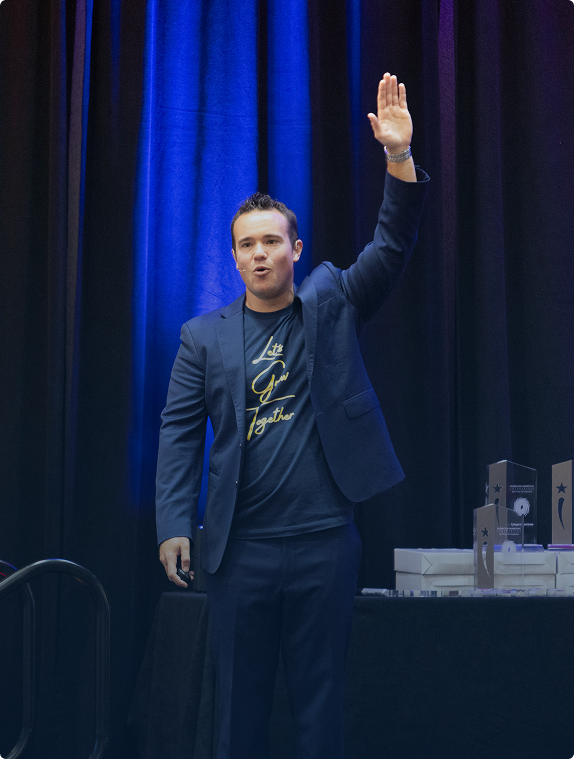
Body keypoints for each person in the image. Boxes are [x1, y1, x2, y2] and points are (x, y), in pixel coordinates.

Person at [156, 73, 429, 759]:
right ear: (234, 256)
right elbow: (179, 433)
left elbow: (392, 247)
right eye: (246, 244)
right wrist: (170, 523)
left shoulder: (331, 300)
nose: (259, 254)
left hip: (323, 544)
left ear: (295, 249)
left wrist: (398, 158)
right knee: (237, 717)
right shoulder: (202, 337)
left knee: (319, 711)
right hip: (238, 550)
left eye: (272, 242)